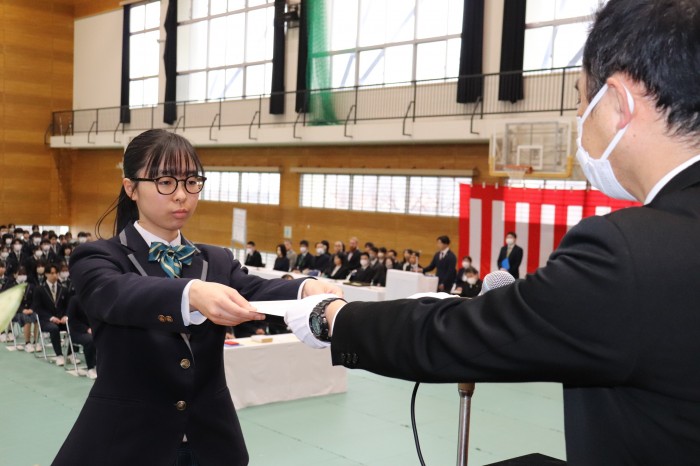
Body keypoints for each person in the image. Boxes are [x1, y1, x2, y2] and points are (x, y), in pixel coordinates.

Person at [285, 1, 700, 464]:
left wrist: (335, 317)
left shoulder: (628, 253)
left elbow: (457, 335)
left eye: (582, 99)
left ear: (620, 104)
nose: (579, 115)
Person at [52, 129, 340, 466]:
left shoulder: (215, 259)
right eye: (165, 182)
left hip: (211, 443)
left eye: (191, 182)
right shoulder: (97, 257)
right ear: (130, 188)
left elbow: (256, 291)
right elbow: (118, 295)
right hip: (129, 442)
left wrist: (306, 289)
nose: (181, 195)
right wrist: (191, 293)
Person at [33, 263, 74, 366]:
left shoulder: (64, 289)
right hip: (46, 320)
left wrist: (66, 316)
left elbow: (68, 306)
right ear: (46, 274)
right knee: (54, 328)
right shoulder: (39, 289)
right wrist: (50, 318)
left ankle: (70, 354)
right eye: (52, 273)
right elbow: (38, 308)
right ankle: (59, 355)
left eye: (56, 273)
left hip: (61, 319)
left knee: (73, 326)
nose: (54, 275)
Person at [66, 298, 97, 379]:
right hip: (77, 332)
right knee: (90, 340)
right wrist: (87, 329)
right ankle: (91, 368)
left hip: (92, 330)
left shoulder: (95, 299)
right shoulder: (74, 300)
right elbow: (72, 321)